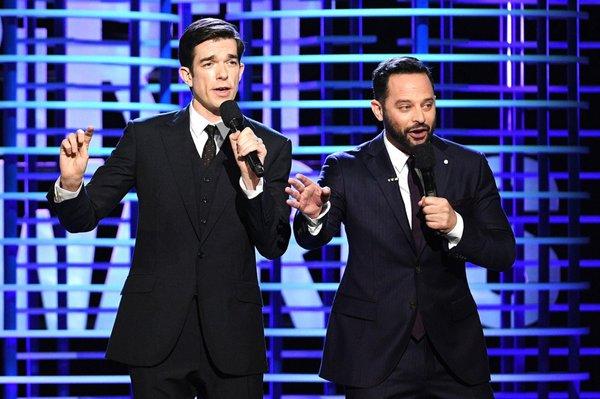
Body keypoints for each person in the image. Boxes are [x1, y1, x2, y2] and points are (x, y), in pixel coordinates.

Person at [47, 18, 292, 399]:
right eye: (209, 63)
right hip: (154, 330)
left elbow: (273, 244)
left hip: (232, 333)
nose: (222, 73)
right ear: (186, 75)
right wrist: (72, 184)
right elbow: (85, 216)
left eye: (231, 62)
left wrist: (252, 182)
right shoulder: (145, 137)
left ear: (242, 71)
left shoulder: (270, 146)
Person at [286, 57, 515, 398]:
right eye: (405, 107)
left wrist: (456, 226)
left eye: (427, 104)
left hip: (453, 353)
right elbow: (313, 238)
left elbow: (503, 252)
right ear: (378, 110)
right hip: (375, 354)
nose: (420, 118)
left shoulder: (469, 165)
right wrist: (314, 215)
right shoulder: (348, 167)